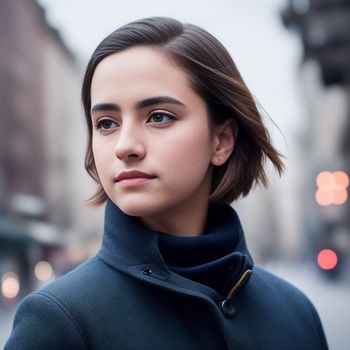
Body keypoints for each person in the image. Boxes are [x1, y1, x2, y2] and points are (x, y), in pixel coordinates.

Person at [5, 16, 328, 349]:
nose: (125, 146)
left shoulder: (295, 312)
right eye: (106, 123)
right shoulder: (58, 322)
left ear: (221, 140)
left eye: (158, 116)